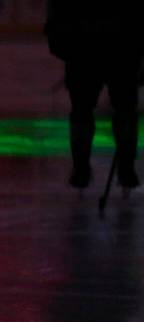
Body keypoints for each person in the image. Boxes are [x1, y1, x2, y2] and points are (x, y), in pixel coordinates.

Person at [46, 1, 144, 190]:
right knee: (122, 111)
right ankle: (123, 168)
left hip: (89, 47)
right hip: (116, 47)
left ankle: (85, 168)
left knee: (85, 111)